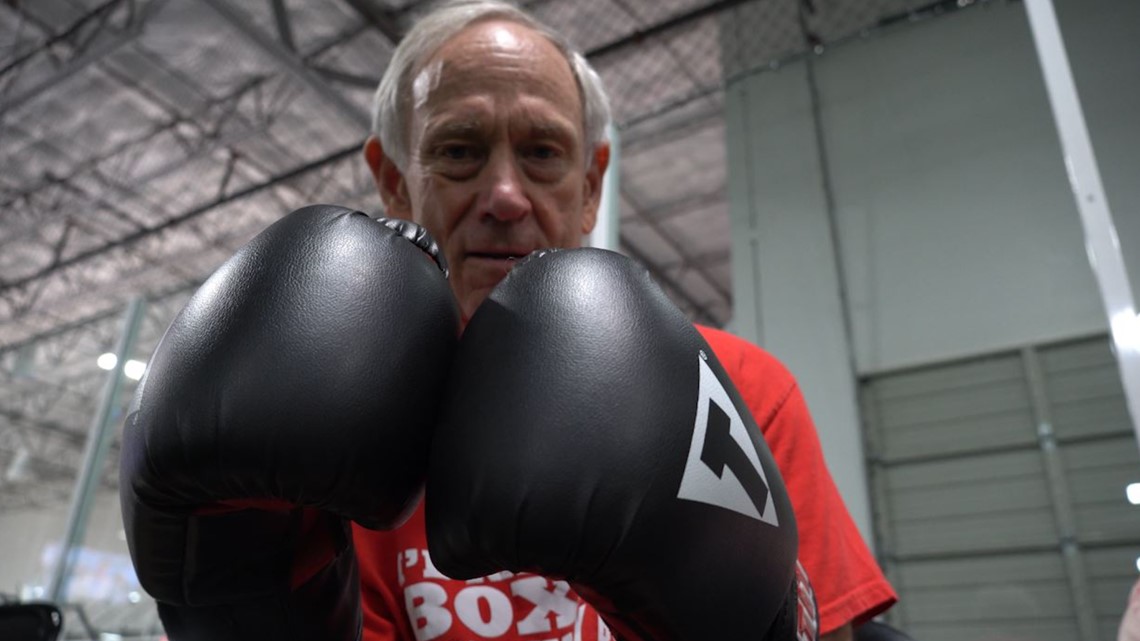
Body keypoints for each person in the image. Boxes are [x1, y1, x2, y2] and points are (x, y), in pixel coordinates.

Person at [355, 1, 897, 640]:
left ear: (590, 187)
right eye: (459, 150)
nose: (504, 196)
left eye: (542, 151)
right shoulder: (364, 436)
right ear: (394, 182)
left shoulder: (738, 389)